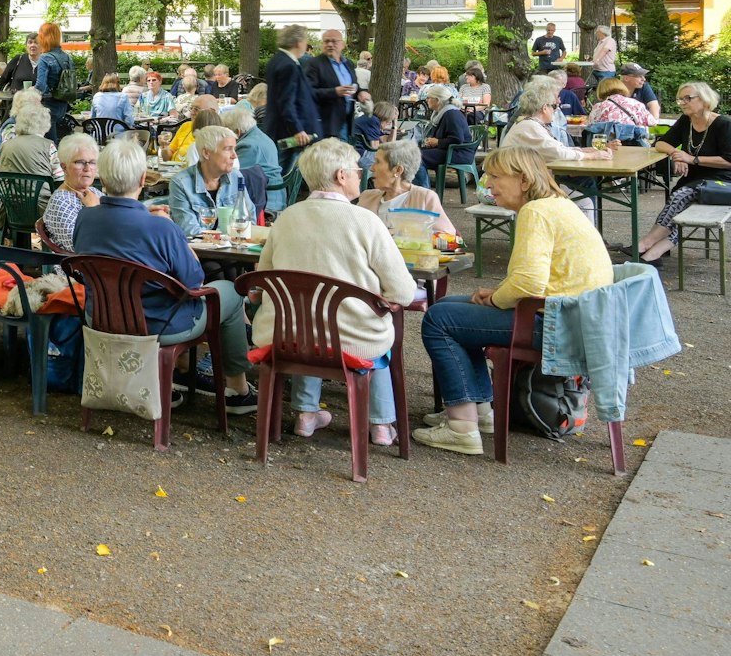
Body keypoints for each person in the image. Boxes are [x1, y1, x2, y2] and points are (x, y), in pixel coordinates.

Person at [416, 147, 612, 454]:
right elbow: (539, 277)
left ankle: (461, 428)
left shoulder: (535, 212)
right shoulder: (556, 203)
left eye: (495, 176)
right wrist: (496, 295)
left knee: (438, 320)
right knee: (446, 307)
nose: (487, 184)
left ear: (522, 180)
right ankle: (479, 411)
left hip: (556, 324)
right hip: (576, 317)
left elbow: (528, 283)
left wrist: (495, 299)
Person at [72, 137, 258, 413]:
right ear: (144, 179)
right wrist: (175, 232)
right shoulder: (161, 227)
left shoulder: (86, 218)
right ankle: (237, 389)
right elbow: (194, 282)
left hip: (99, 315)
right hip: (160, 324)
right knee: (229, 291)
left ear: (103, 176)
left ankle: (166, 382)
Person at [252, 139, 416, 446]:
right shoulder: (367, 221)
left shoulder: (287, 217)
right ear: (341, 175)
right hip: (353, 339)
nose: (361, 174)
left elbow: (263, 277)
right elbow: (403, 293)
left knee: (308, 315)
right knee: (378, 329)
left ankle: (305, 413)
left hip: (287, 337)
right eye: (356, 169)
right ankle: (380, 424)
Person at [635, 80, 731, 267]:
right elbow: (660, 143)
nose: (683, 102)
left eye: (688, 98)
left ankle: (646, 245)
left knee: (680, 196)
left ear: (704, 100)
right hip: (694, 179)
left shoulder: (723, 124)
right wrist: (677, 155)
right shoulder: (686, 121)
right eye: (680, 99)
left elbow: (729, 161)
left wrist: (692, 159)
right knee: (677, 203)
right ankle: (654, 253)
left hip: (722, 181)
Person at [357, 140, 457, 237]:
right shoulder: (367, 197)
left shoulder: (424, 198)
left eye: (377, 162)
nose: (372, 168)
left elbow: (447, 236)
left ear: (398, 170)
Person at [168, 124, 245, 239]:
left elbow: (249, 218)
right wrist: (225, 239)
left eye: (234, 149)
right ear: (206, 153)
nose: (234, 156)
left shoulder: (236, 177)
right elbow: (190, 231)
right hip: (201, 254)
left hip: (235, 250)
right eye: (228, 149)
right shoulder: (181, 183)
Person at [504, 77, 603, 162]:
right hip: (518, 178)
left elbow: (556, 147)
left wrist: (583, 151)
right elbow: (558, 153)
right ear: (544, 108)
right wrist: (591, 155)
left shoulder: (530, 122)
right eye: (554, 106)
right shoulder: (530, 126)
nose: (557, 107)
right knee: (586, 181)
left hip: (524, 174)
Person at [42, 132, 101, 251]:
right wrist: (95, 211)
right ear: (64, 167)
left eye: (92, 162)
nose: (88, 168)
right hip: (79, 267)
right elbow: (82, 247)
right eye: (80, 162)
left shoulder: (93, 192)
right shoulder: (61, 202)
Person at [263, 25, 319, 148]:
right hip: (289, 133)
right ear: (298, 43)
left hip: (280, 127)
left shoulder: (277, 60)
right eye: (305, 41)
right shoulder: (288, 66)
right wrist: (297, 129)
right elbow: (286, 101)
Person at [305, 29, 361, 141]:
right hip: (325, 124)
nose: (330, 44)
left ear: (342, 44)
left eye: (334, 41)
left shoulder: (348, 63)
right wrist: (334, 92)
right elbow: (307, 92)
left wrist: (361, 93)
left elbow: (354, 86)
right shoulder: (314, 64)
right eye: (326, 41)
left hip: (346, 121)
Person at [224, 107, 283, 213]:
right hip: (273, 194)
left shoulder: (248, 145)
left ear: (237, 132)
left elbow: (232, 175)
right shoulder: (258, 136)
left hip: (268, 202)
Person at [416, 83, 474, 177]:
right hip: (449, 150)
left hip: (458, 153)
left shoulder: (451, 114)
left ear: (437, 100)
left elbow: (457, 139)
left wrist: (437, 142)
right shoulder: (441, 113)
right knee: (412, 152)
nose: (426, 100)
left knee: (415, 158)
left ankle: (423, 189)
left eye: (429, 98)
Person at [590, 76, 654, 144]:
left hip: (609, 146)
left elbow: (591, 126)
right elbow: (652, 122)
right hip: (636, 146)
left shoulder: (598, 107)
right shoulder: (636, 104)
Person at [166, 96, 219, 164]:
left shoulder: (217, 135)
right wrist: (164, 147)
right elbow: (168, 156)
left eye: (196, 109)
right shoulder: (186, 126)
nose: (192, 113)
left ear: (211, 111)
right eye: (191, 108)